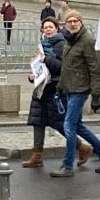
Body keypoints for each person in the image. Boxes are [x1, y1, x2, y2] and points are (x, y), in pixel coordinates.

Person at [51, 12, 100, 176]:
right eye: (69, 21)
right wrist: (60, 87)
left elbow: (95, 70)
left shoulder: (87, 41)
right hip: (70, 88)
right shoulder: (69, 40)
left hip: (80, 89)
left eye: (75, 21)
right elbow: (67, 68)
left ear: (81, 22)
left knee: (68, 126)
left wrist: (96, 96)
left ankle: (67, 165)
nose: (72, 24)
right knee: (77, 126)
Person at [23, 18, 67, 170]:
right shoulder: (41, 44)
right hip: (41, 88)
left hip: (54, 88)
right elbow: (39, 66)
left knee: (59, 123)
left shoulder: (61, 44)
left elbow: (63, 66)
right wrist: (32, 76)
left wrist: (47, 59)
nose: (47, 30)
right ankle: (37, 156)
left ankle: (81, 147)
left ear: (57, 28)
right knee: (38, 121)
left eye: (50, 27)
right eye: (45, 27)